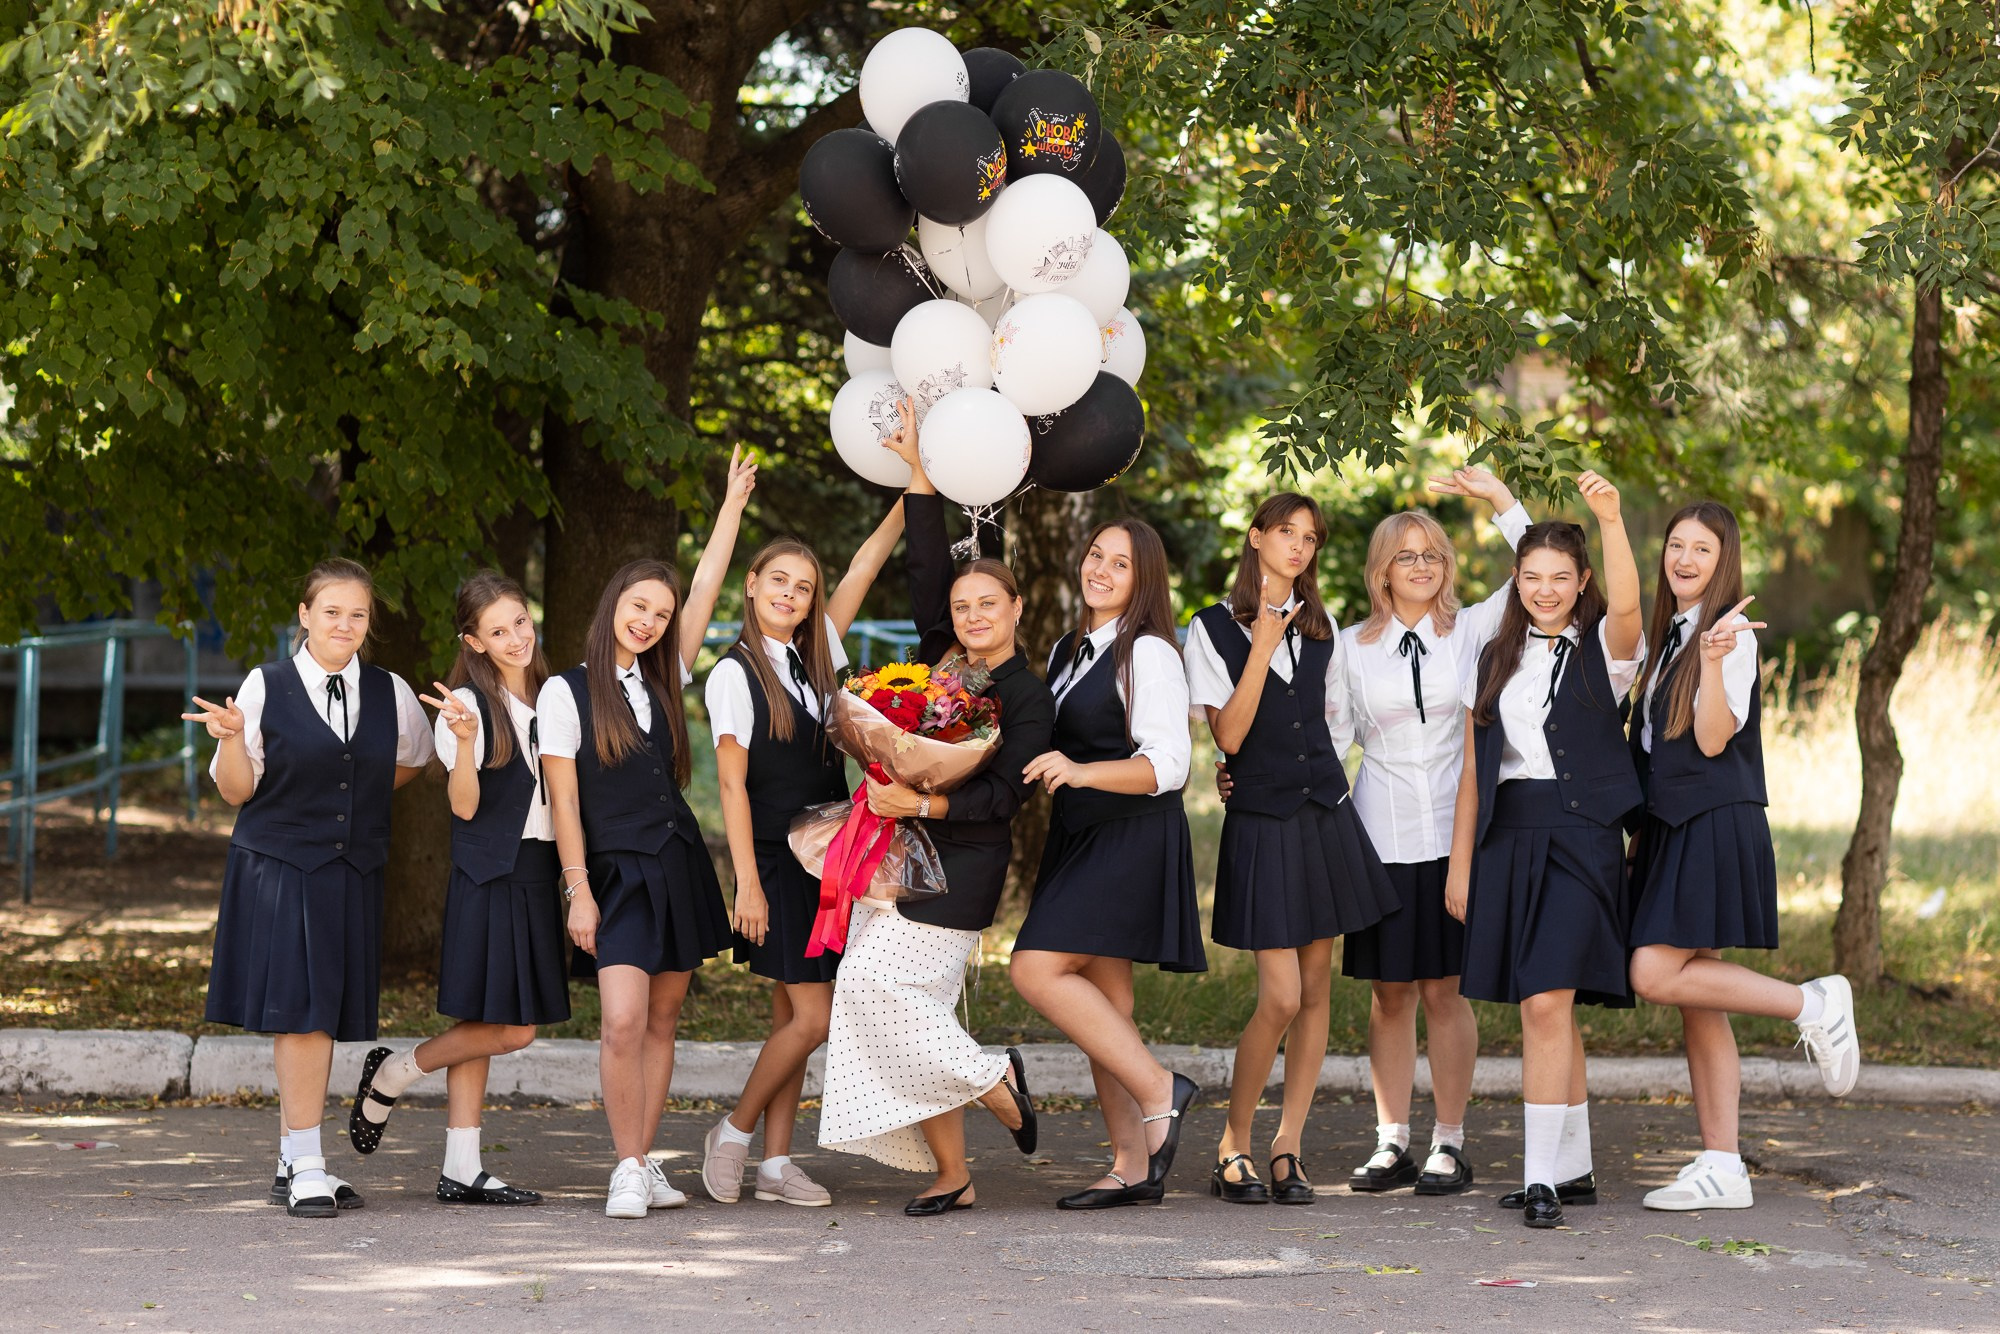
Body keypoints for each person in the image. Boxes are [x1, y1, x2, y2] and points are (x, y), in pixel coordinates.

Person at [815, 406, 1053, 1216]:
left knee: (883, 991)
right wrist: (921, 471)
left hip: (963, 866)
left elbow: (1005, 795)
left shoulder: (1027, 696)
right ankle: (952, 1174)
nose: (972, 615)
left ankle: (998, 1080)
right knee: (895, 1004)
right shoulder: (941, 664)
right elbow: (924, 570)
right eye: (963, 607)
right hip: (894, 850)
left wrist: (924, 795)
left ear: (1015, 608)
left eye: (988, 603)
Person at [1625, 501, 1861, 1211]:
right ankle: (1723, 1164)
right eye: (1676, 545)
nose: (1685, 559)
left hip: (1713, 821)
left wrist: (1713, 662)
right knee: (1699, 995)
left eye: (1702, 549)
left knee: (1654, 971)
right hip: (1670, 827)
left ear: (1724, 561)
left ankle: (1812, 1002)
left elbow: (1711, 740)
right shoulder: (1669, 633)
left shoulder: (1726, 634)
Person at [538, 448, 754, 1219]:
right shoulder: (562, 692)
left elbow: (705, 588)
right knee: (623, 1019)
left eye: (661, 614)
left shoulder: (666, 677)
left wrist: (729, 506)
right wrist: (578, 893)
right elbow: (564, 805)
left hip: (677, 863)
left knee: (663, 1019)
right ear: (613, 604)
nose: (652, 620)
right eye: (640, 606)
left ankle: (646, 1163)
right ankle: (625, 1165)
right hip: (612, 875)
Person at [183, 558, 434, 1218]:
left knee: (325, 1013)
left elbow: (407, 762)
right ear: (304, 615)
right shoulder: (265, 687)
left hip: (351, 871)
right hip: (281, 869)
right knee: (302, 1013)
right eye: (331, 612)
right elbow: (236, 789)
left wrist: (349, 805)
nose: (345, 625)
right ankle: (309, 1165)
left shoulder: (391, 692)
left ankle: (294, 1159)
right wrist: (234, 739)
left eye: (358, 614)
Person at [1185, 492, 1399, 1205]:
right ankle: (1231, 1144)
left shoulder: (1323, 624)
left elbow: (1335, 721)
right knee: (1278, 996)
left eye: (1310, 537)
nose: (1299, 547)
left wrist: (1319, 774)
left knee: (1316, 992)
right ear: (1255, 538)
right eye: (1286, 532)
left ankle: (1288, 1147)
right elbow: (1232, 737)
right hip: (1263, 821)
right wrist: (1265, 647)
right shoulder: (1211, 630)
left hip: (1322, 816)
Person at [1445, 472, 1643, 1231]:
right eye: (1531, 577)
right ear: (1516, 582)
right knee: (1550, 1007)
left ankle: (1539, 1183)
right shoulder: (1493, 657)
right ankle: (1576, 1167)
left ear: (1581, 580)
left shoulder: (1608, 649)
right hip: (1509, 840)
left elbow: (1626, 603)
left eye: (1562, 578)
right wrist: (1461, 865)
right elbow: (1473, 773)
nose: (1546, 590)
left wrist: (1612, 520)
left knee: (1545, 1001)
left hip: (1583, 840)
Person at [699, 495, 907, 1209]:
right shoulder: (734, 673)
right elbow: (730, 785)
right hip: (778, 860)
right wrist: (746, 884)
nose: (791, 594)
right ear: (751, 584)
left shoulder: (815, 656)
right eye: (778, 580)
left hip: (833, 854)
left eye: (803, 587)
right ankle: (732, 1131)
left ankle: (776, 1165)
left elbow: (862, 567)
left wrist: (915, 492)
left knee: (794, 1020)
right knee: (813, 1018)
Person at [1338, 469, 1530, 1196]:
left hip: (1456, 840)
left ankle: (1451, 1141)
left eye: (1432, 554)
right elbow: (1330, 741)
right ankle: (1392, 1144)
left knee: (1446, 992)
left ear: (1446, 566)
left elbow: (1536, 573)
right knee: (1389, 994)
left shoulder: (1473, 631)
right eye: (1406, 555)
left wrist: (1500, 500)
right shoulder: (1351, 648)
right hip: (1378, 838)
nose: (1421, 565)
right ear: (1382, 570)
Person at [343, 573, 560, 1206]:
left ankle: (461, 1167)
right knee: (513, 1029)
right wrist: (464, 746)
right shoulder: (464, 705)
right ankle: (395, 1072)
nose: (515, 637)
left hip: (542, 868)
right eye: (497, 631)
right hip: (491, 871)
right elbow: (463, 806)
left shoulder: (555, 695)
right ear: (474, 640)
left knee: (485, 1021)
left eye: (520, 621)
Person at [1011, 518, 1204, 1211]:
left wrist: (1082, 770)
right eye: (1096, 555)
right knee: (1109, 1008)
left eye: (1120, 565)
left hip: (1130, 834)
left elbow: (1169, 766)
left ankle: (1162, 1091)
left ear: (1142, 580)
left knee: (1033, 968)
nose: (1101, 570)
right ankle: (1133, 1165)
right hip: (1081, 834)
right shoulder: (1071, 647)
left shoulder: (1148, 652)